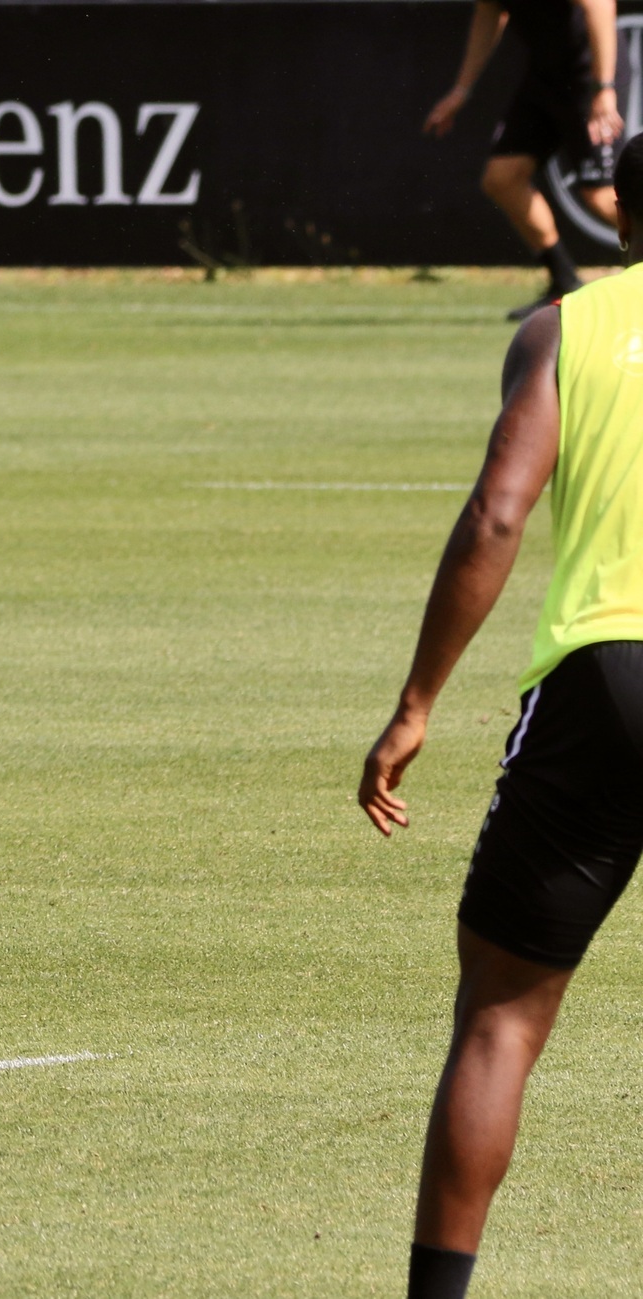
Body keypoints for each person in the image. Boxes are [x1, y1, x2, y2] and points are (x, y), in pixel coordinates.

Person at [360, 133, 643, 1299]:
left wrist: (415, 702)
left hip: (603, 684)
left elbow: (495, 516)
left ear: (621, 209)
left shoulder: (563, 331)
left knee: (498, 1022)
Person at [423, 0, 623, 321]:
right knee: (502, 177)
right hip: (545, 79)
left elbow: (600, 5)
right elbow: (489, 13)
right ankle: (564, 282)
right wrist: (461, 91)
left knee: (600, 196)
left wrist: (604, 87)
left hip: (591, 74)